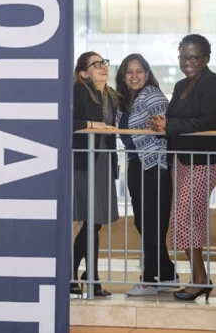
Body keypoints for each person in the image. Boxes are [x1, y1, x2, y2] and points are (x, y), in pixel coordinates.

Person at [148, 34, 216, 302]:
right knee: (188, 217)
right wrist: (163, 121)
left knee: (183, 216)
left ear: (206, 58)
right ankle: (200, 278)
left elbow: (210, 122)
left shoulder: (212, 83)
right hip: (182, 159)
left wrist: (170, 126)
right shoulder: (182, 84)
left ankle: (199, 280)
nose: (187, 62)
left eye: (193, 57)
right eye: (183, 57)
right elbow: (177, 117)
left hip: (205, 160)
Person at [115, 54, 178, 296]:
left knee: (153, 222)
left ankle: (149, 278)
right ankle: (168, 274)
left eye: (139, 71)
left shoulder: (151, 94)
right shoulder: (124, 101)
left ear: (147, 73)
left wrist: (161, 123)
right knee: (144, 222)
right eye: (129, 72)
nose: (134, 76)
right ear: (123, 76)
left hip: (156, 165)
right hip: (136, 165)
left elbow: (165, 123)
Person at [70, 51, 119, 297]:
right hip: (84, 161)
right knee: (91, 220)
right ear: (84, 73)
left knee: (95, 221)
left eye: (104, 63)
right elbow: (66, 120)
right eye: (96, 64)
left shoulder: (110, 96)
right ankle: (89, 277)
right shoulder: (79, 90)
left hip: (103, 161)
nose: (103, 67)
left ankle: (83, 275)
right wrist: (93, 125)